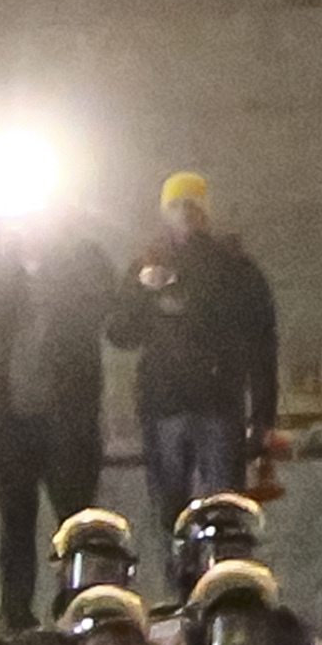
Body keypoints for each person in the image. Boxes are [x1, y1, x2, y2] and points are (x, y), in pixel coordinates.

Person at [0, 206, 137, 632]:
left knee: (77, 524)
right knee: (15, 525)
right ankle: (15, 614)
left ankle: (80, 608)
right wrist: (9, 266)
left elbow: (103, 310)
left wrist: (51, 269)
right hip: (13, 421)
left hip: (69, 420)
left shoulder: (84, 260)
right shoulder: (7, 268)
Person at [129, 176, 278, 557]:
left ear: (204, 214)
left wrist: (263, 415)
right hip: (172, 404)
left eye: (191, 208)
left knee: (223, 515)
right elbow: (120, 331)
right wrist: (143, 293)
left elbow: (261, 338)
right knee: (172, 514)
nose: (184, 217)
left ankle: (224, 588)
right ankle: (185, 596)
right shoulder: (150, 262)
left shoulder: (231, 266)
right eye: (177, 208)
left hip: (213, 403)